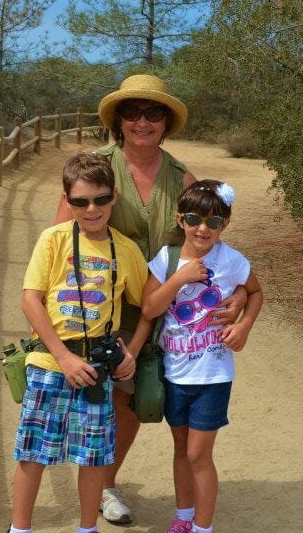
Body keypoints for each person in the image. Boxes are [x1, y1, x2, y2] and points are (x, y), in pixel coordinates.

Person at [53, 74, 248, 524]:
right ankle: (101, 490)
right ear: (118, 120)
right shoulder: (96, 166)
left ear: (165, 123)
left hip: (163, 312)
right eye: (132, 112)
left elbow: (210, 247)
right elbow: (60, 238)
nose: (142, 121)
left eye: (153, 113)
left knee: (139, 401)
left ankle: (103, 484)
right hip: (100, 307)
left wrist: (238, 296)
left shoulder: (182, 178)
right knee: (106, 399)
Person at [9, 152, 149, 533]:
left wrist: (131, 352)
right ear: (67, 200)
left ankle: (87, 528)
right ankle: (20, 528)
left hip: (97, 371)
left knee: (93, 458)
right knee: (33, 452)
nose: (92, 209)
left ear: (114, 198)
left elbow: (149, 306)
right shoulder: (53, 240)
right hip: (51, 363)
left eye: (101, 199)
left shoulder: (125, 250)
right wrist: (63, 358)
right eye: (81, 201)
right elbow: (30, 299)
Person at [136, 180, 264, 533]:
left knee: (198, 455)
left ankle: (203, 527)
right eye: (194, 219)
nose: (203, 228)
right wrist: (179, 279)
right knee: (181, 449)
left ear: (226, 224)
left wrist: (244, 324)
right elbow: (149, 308)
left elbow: (255, 291)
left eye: (214, 221)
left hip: (212, 375)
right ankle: (184, 516)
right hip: (175, 373)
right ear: (180, 219)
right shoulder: (166, 259)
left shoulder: (232, 261)